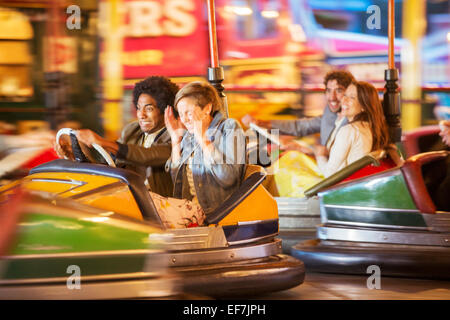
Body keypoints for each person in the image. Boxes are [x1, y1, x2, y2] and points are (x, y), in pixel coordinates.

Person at [155, 81, 246, 229]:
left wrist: (203, 139)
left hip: (214, 214)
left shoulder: (229, 128)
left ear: (207, 108)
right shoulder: (190, 136)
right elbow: (176, 179)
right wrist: (175, 140)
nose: (184, 119)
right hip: (189, 209)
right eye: (180, 113)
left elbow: (228, 178)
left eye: (188, 113)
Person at [75, 76, 179, 197]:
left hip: (160, 206)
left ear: (166, 110)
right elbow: (109, 163)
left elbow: (147, 156)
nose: (141, 115)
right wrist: (78, 153)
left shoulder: (175, 135)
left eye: (149, 109)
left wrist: (103, 142)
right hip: (129, 198)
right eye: (139, 108)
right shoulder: (132, 130)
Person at [241, 70, 355, 152]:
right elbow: (300, 126)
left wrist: (302, 148)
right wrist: (261, 123)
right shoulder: (331, 114)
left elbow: (337, 156)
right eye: (329, 91)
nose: (332, 97)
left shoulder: (353, 121)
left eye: (339, 91)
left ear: (350, 93)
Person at [316, 81, 389, 177]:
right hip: (356, 185)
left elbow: (329, 174)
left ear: (363, 106)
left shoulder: (349, 130)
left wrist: (320, 156)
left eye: (352, 97)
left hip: (342, 189)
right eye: (345, 95)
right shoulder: (371, 127)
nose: (344, 100)